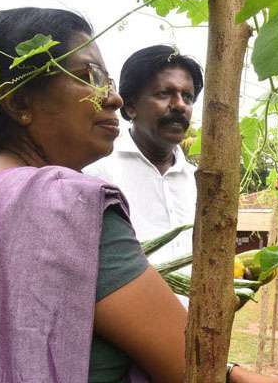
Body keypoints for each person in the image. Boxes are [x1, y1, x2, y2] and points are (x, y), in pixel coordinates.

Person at [0, 7, 278, 383]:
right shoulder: (66, 200)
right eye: (89, 77)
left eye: (187, 96)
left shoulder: (199, 179)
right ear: (18, 103)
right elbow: (194, 370)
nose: (112, 98)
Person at [85, 45, 201, 263]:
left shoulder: (199, 181)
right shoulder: (96, 173)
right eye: (164, 94)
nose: (179, 105)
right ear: (130, 107)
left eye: (188, 97)